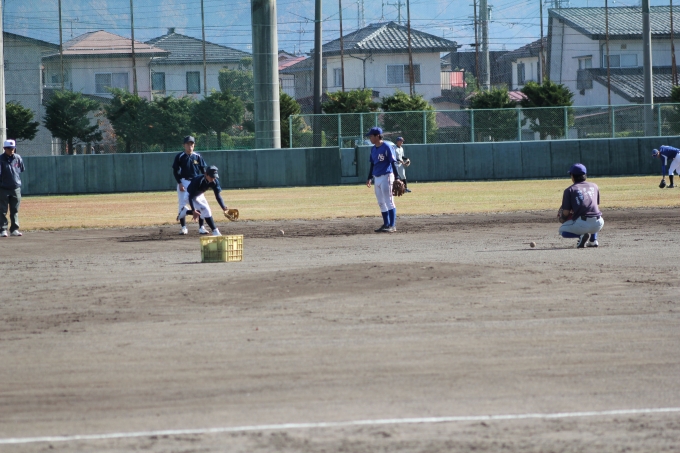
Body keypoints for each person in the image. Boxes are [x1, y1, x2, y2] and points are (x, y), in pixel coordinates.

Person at [557, 163, 604, 248]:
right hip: (599, 223)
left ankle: (581, 236)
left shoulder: (569, 190)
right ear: (585, 175)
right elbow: (595, 206)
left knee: (562, 230)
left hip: (582, 224)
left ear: (572, 176)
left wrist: (562, 218)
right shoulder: (594, 186)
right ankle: (593, 240)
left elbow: (566, 212)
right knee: (592, 213)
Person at [365, 127, 402, 233]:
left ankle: (392, 226)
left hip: (387, 176)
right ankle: (386, 224)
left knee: (389, 201)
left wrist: (397, 177)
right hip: (376, 177)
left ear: (377, 136)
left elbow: (393, 162)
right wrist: (369, 177)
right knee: (381, 202)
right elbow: (372, 164)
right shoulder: (373, 149)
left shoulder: (387, 147)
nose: (370, 138)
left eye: (371, 136)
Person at [172, 135, 208, 235]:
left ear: (194, 145)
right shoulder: (180, 156)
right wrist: (179, 183)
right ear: (184, 145)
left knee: (201, 204)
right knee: (182, 205)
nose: (190, 146)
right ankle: (183, 227)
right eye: (187, 144)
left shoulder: (197, 156)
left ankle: (201, 227)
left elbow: (203, 171)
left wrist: (204, 184)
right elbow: (175, 171)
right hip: (184, 182)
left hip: (196, 182)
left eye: (191, 144)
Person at [187, 165, 230, 237]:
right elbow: (190, 197)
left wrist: (223, 207)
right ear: (206, 174)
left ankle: (185, 211)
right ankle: (215, 231)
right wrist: (193, 210)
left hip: (200, 194)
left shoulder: (214, 182)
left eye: (215, 177)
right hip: (189, 195)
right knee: (205, 210)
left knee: (207, 211)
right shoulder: (198, 181)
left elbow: (218, 196)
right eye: (212, 176)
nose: (213, 178)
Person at [0, 139, 24, 237]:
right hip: (3, 188)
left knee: (15, 210)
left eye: (13, 148)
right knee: (2, 210)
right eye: (9, 148)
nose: (12, 150)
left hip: (15, 188)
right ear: (4, 148)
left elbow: (20, 169)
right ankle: (3, 230)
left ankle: (14, 229)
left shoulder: (18, 158)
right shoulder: (0, 159)